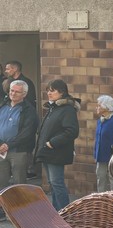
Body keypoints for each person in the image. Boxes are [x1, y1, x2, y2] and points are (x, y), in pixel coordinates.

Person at [34, 79, 79, 211]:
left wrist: (51, 143)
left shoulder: (67, 109)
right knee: (52, 183)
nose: (49, 92)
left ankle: (65, 212)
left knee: (57, 183)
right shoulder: (53, 107)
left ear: (62, 92)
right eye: (48, 90)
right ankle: (56, 211)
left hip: (56, 152)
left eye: (52, 90)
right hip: (47, 151)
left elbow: (72, 131)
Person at [0, 81, 38, 218]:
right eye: (11, 90)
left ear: (24, 94)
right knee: (1, 181)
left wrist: (8, 145)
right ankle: (3, 210)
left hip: (19, 151)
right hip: (1, 151)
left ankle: (21, 212)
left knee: (19, 181)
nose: (12, 93)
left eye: (16, 91)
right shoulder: (3, 105)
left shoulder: (29, 110)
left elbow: (27, 132)